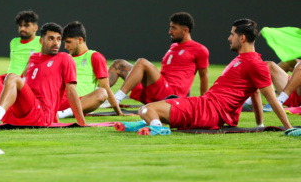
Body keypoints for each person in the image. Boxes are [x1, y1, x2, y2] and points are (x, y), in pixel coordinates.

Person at [115, 18, 298, 136]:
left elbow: (272, 100)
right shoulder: (243, 60)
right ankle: (152, 124)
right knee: (148, 111)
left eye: (232, 34)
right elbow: (255, 94)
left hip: (208, 111)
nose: (228, 38)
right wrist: (260, 124)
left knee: (147, 110)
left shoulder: (254, 63)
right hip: (205, 105)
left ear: (242, 38)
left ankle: (158, 129)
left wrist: (288, 128)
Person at [107, 12, 209, 106]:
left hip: (169, 94)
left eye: (174, 28)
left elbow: (203, 76)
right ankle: (98, 96)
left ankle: (117, 98)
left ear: (185, 31)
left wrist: (203, 103)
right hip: (157, 90)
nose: (170, 31)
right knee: (119, 64)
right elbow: (184, 75)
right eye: (170, 27)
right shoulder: (174, 47)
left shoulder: (199, 49)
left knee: (142, 62)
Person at [57, 21, 127, 118]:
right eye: (65, 43)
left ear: (80, 40)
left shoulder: (95, 57)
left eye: (68, 42)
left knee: (102, 92)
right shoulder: (64, 58)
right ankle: (64, 113)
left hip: (80, 101)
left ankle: (64, 114)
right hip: (58, 100)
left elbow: (106, 87)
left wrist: (118, 112)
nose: (65, 46)